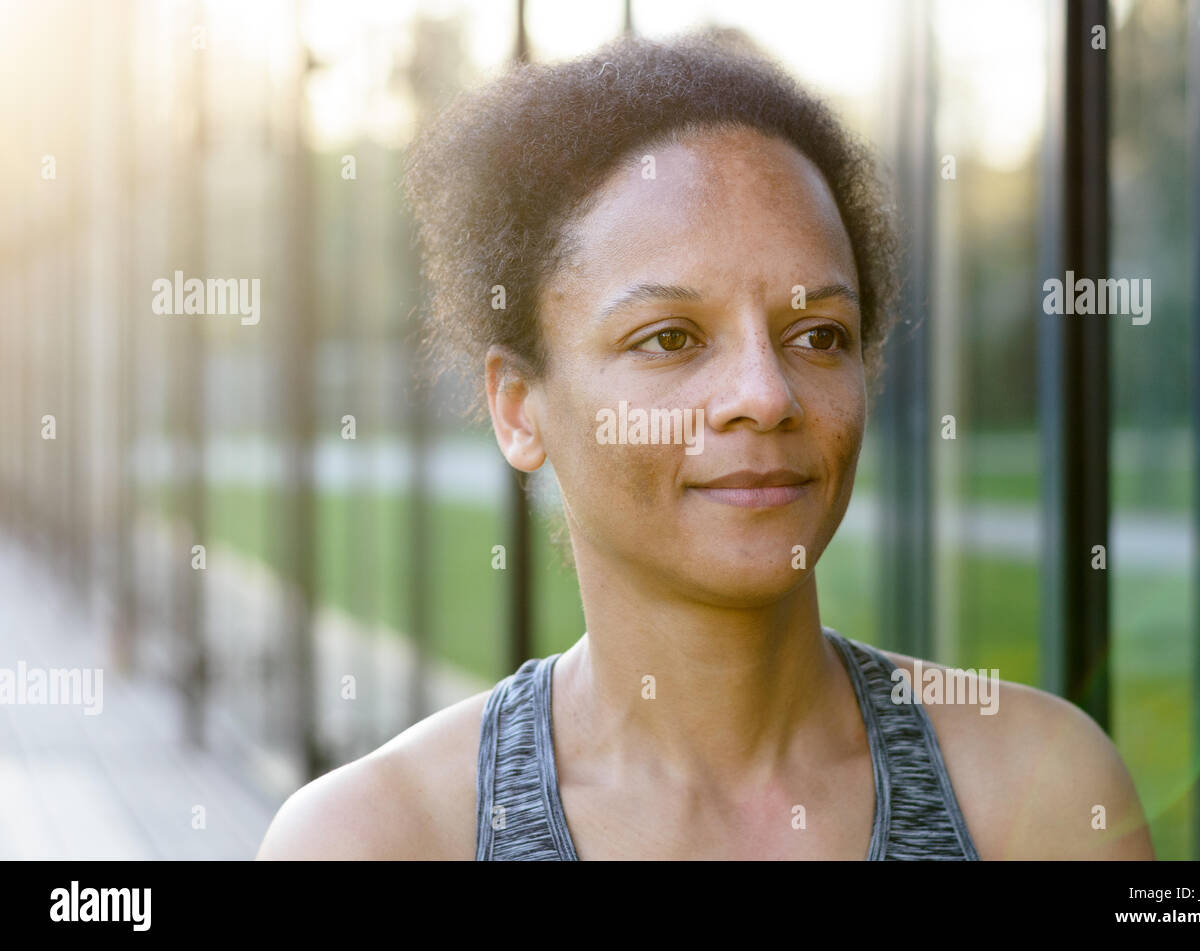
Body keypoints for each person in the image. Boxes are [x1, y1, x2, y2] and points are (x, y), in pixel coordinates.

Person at [256, 27, 1154, 861]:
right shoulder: (379, 837)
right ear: (519, 407)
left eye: (818, 335)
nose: (765, 395)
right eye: (671, 338)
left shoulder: (1042, 795)